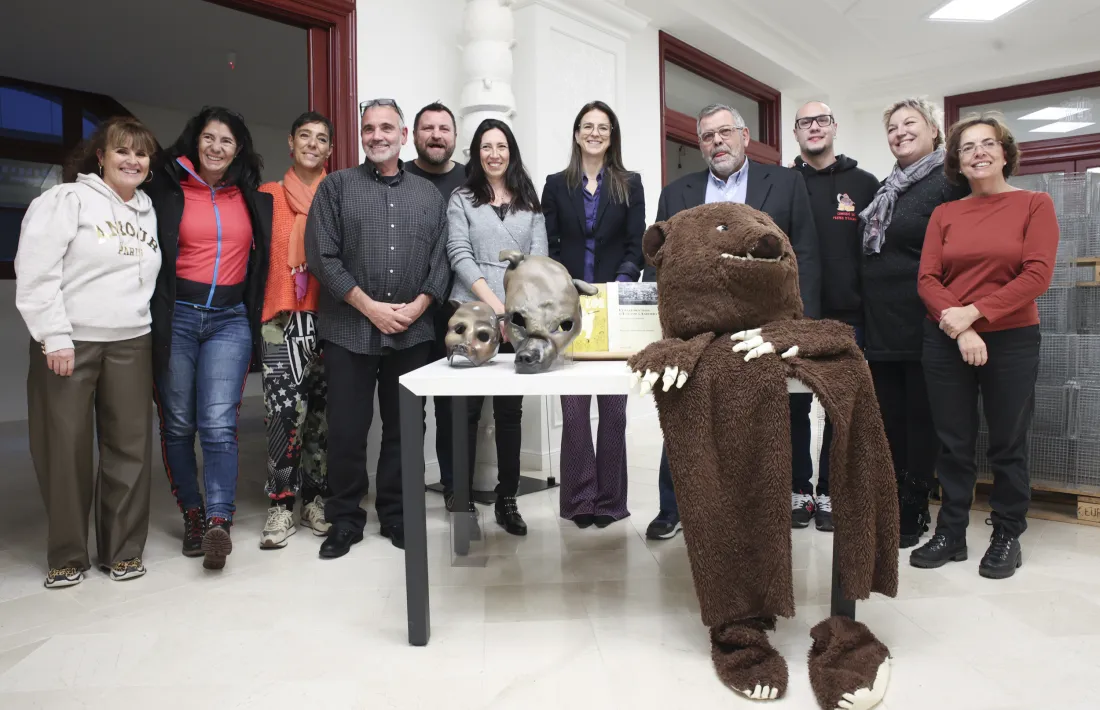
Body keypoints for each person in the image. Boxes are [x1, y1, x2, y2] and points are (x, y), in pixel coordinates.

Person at [642, 103, 821, 540]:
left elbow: (805, 254)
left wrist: (800, 324)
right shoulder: (677, 193)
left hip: (765, 323)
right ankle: (674, 507)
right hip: (698, 328)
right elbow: (661, 263)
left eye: (725, 132)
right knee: (684, 409)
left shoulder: (786, 183)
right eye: (707, 136)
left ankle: (775, 501)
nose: (717, 142)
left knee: (775, 411)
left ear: (744, 136)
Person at [15, 116, 161, 588]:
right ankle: (67, 556)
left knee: (130, 449)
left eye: (141, 153)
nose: (132, 160)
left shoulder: (148, 210)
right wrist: (54, 335)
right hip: (71, 342)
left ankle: (123, 551)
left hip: (132, 339)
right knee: (65, 449)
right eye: (122, 151)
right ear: (101, 156)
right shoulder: (66, 200)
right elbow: (36, 270)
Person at [913, 113, 1058, 579]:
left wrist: (973, 314)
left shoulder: (1034, 204)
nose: (978, 152)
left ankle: (1007, 534)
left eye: (988, 143)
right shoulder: (945, 214)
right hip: (946, 337)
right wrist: (961, 329)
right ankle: (951, 532)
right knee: (953, 442)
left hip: (1012, 339)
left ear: (1005, 152)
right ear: (957, 161)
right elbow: (927, 279)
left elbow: (1037, 276)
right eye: (967, 147)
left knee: (1008, 442)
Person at [305, 98, 450, 556]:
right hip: (349, 328)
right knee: (347, 429)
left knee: (405, 427)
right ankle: (345, 520)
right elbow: (322, 256)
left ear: (403, 136)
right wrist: (371, 308)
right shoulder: (336, 187)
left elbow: (442, 258)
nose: (377, 135)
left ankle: (397, 514)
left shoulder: (429, 196)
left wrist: (421, 304)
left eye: (387, 127)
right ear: (361, 135)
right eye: (369, 128)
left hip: (412, 331)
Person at [146, 106, 273, 571]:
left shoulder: (251, 197)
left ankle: (219, 520)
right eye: (209, 138)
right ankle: (193, 514)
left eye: (227, 141)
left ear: (238, 150)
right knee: (179, 424)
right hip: (177, 317)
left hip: (229, 320)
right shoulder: (165, 190)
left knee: (219, 424)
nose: (217, 147)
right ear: (195, 141)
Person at [860, 98, 969, 549]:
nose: (900, 132)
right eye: (892, 127)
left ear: (934, 130)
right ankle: (894, 495)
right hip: (881, 322)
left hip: (925, 320)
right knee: (890, 417)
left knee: (922, 419)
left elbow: (961, 257)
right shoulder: (888, 186)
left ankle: (916, 502)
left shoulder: (949, 182)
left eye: (911, 123)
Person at [542, 100, 645, 528]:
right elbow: (548, 244)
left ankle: (610, 502)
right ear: (576, 133)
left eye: (603, 127)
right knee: (574, 411)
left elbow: (636, 243)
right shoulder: (555, 184)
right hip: (567, 308)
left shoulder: (629, 183)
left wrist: (616, 286)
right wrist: (562, 285)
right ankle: (580, 500)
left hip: (613, 303)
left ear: (612, 135)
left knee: (614, 412)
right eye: (588, 126)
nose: (595, 133)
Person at [447, 118, 548, 536]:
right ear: (476, 153)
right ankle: (463, 501)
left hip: (518, 317)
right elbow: (459, 252)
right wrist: (496, 308)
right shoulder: (462, 198)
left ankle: (508, 498)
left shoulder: (529, 200)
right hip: (472, 312)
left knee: (510, 412)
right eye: (486, 147)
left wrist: (514, 313)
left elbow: (537, 260)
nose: (494, 154)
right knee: (466, 412)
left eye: (501, 146)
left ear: (511, 152)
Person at [789, 101, 880, 532]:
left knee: (839, 408)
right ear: (796, 132)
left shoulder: (864, 184)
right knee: (793, 406)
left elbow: (876, 251)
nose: (814, 127)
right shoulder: (783, 183)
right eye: (805, 122)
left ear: (834, 127)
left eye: (821, 120)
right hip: (794, 315)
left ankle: (830, 490)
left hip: (848, 316)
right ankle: (799, 489)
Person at [256, 111, 335, 549]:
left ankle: (316, 501)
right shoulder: (266, 196)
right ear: (290, 143)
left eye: (321, 138)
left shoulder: (338, 195)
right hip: (281, 319)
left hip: (329, 319)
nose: (312, 144)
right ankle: (281, 504)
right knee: (284, 416)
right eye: (304, 136)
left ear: (330, 150)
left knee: (322, 416)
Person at [403, 102, 468, 512]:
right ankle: (407, 491)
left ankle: (455, 488)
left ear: (455, 136)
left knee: (453, 405)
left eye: (444, 128)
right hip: (410, 311)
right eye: (428, 128)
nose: (436, 135)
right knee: (410, 406)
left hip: (458, 310)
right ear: (413, 135)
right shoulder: (399, 176)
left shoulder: (470, 179)